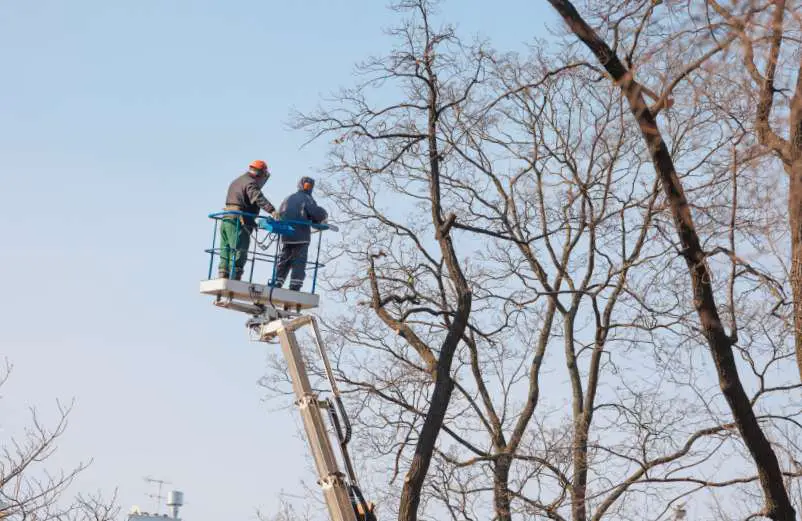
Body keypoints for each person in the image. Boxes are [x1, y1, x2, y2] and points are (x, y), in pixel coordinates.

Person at [218, 159, 277, 280]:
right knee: (240, 247)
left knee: (226, 248)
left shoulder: (238, 181)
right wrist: (272, 210)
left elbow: (243, 202)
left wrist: (251, 222)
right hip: (237, 221)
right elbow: (257, 198)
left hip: (227, 219)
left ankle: (223, 274)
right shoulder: (250, 183)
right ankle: (235, 275)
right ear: (260, 174)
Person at [273, 176, 328, 291]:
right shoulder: (307, 199)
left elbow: (280, 214)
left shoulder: (287, 198)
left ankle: (277, 282)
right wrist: (323, 216)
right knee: (299, 261)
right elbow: (316, 213)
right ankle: (295, 286)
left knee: (284, 260)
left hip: (286, 235)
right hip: (301, 236)